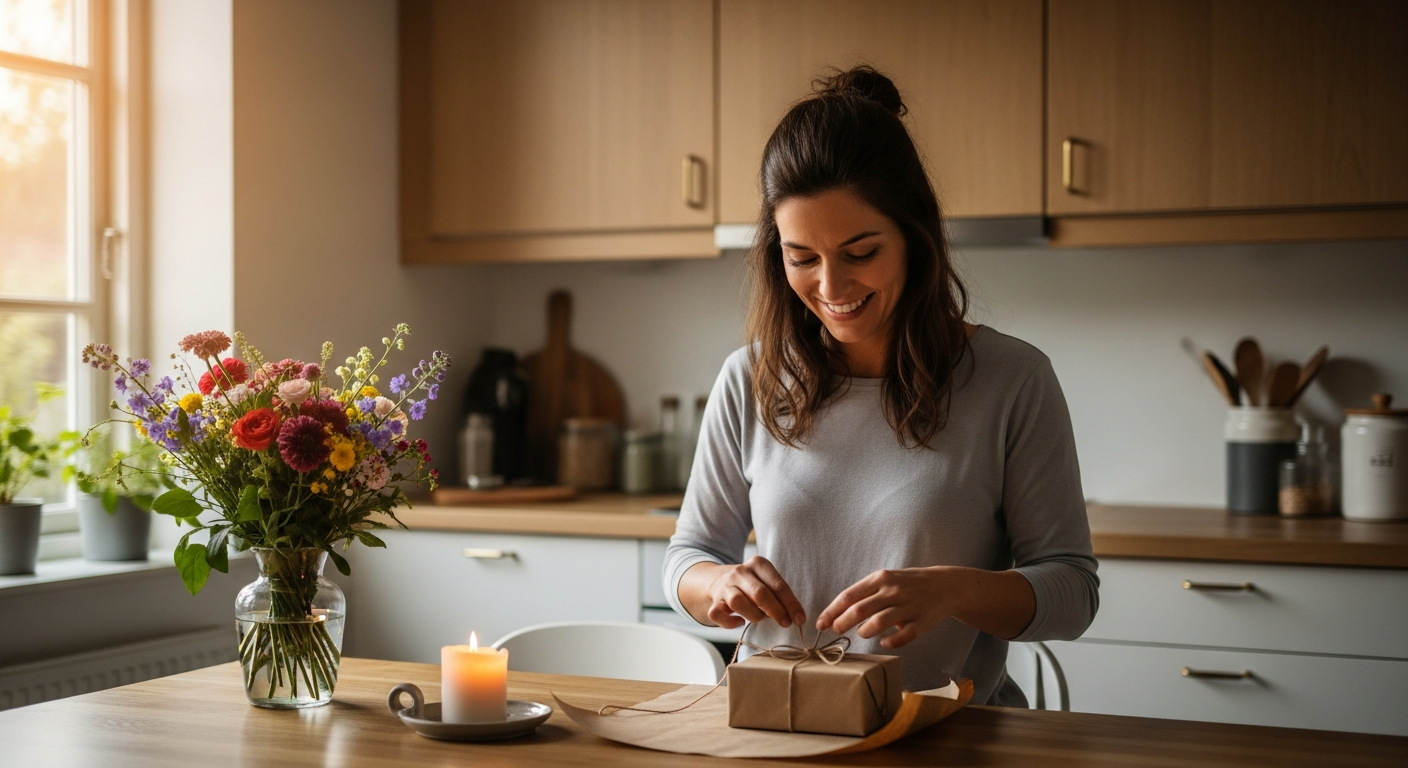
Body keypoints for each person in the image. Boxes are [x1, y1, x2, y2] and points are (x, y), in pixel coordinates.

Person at [663, 66, 1098, 706]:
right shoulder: (748, 378)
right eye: (802, 258)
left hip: (943, 734)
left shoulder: (1013, 380)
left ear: (914, 238)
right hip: (775, 724)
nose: (832, 289)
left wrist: (956, 591)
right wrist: (717, 585)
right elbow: (689, 556)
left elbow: (1073, 592)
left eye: (861, 252)